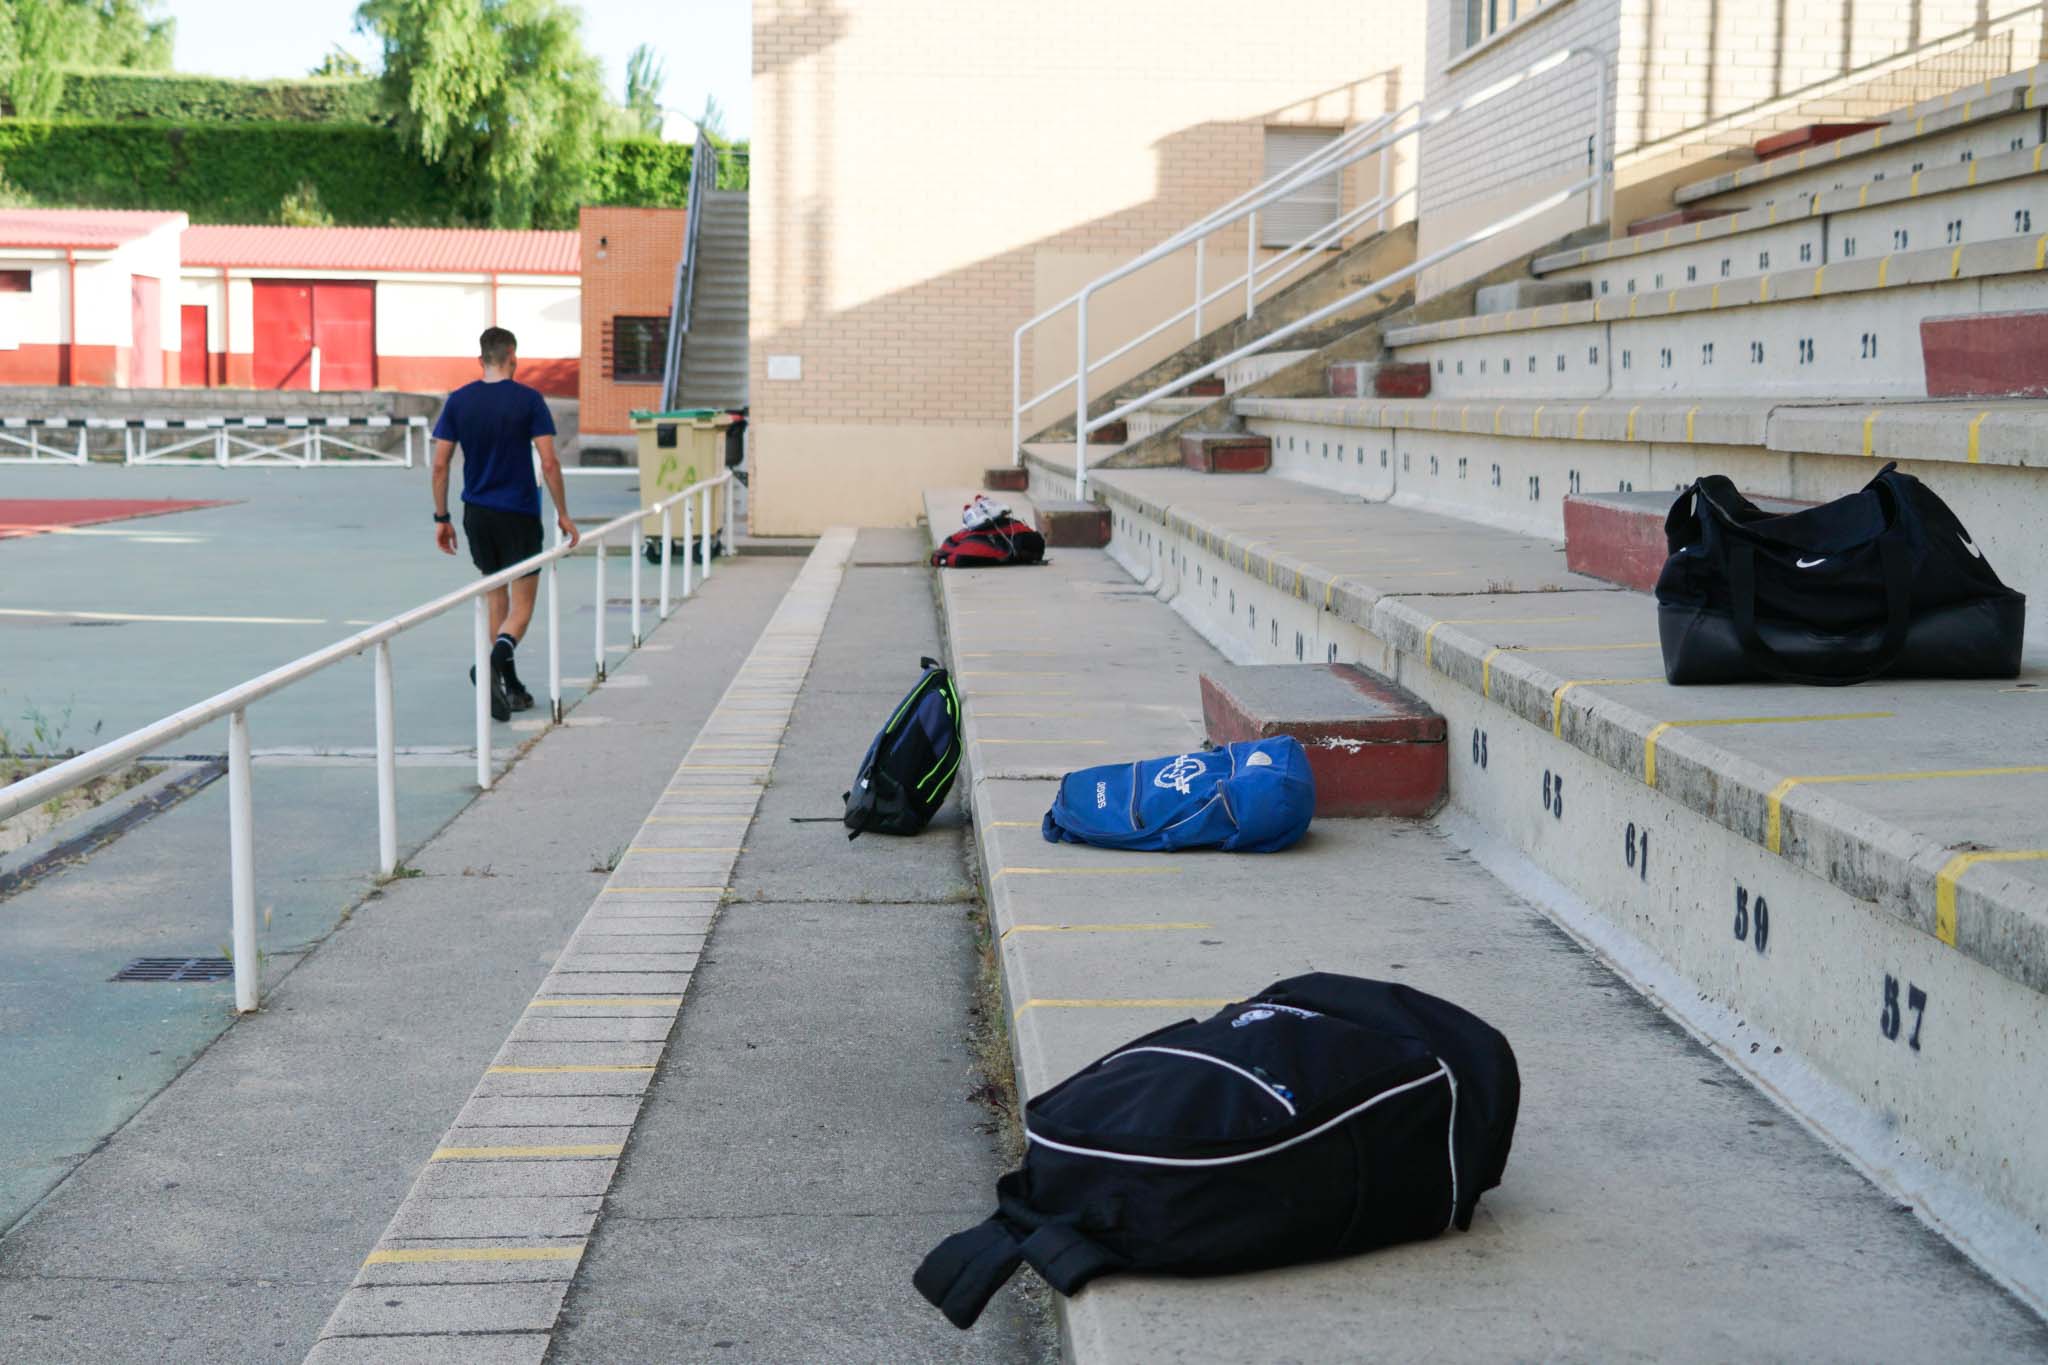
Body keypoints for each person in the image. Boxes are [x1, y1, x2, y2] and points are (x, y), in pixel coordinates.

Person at [430, 327, 580, 720]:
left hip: (477, 514)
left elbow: (441, 464)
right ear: (513, 356)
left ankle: (509, 686)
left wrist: (442, 518)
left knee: (497, 596)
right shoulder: (529, 400)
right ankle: (492, 666)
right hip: (519, 513)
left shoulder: (459, 401)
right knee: (523, 608)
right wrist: (563, 513)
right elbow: (549, 461)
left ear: (480, 359)